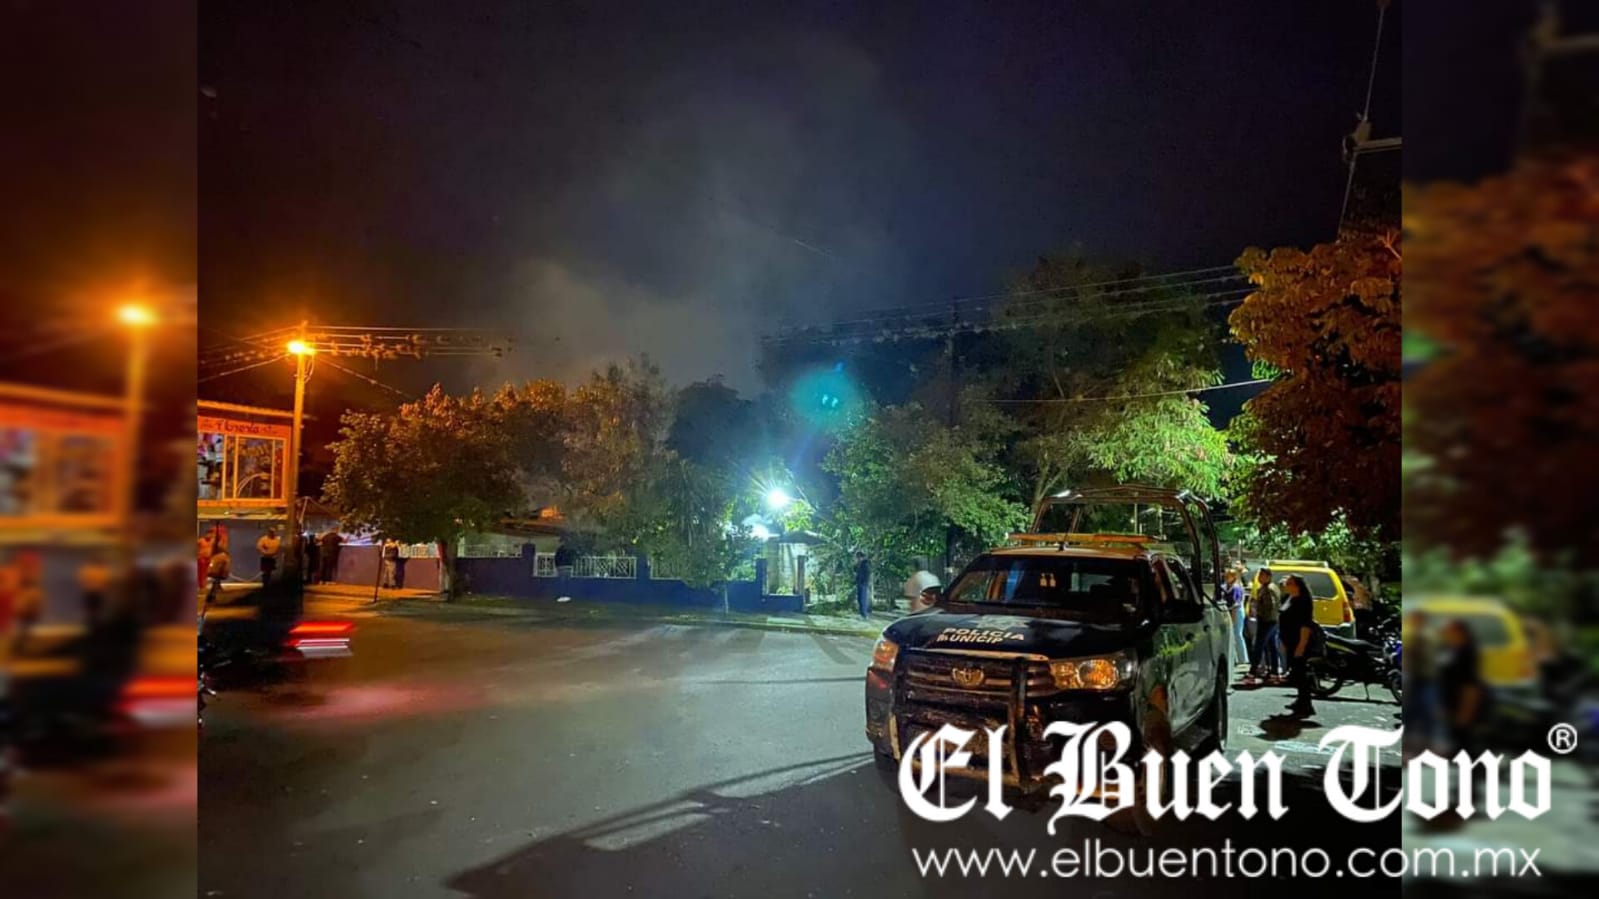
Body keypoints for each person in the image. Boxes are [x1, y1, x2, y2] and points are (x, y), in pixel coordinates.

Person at [1431, 620, 1488, 830]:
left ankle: (1467, 795)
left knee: (1466, 753)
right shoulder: (1454, 651)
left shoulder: (1467, 654)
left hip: (1464, 713)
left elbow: (1471, 688)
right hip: (1453, 711)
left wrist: (1465, 715)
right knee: (1460, 752)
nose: (1445, 634)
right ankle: (1465, 792)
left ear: (1460, 633)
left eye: (1450, 631)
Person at [1280, 574, 1320, 717]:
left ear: (1297, 586)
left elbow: (1305, 624)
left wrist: (1301, 645)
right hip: (1289, 640)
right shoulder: (1289, 598)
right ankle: (1301, 700)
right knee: (1296, 672)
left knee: (1300, 672)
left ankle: (1306, 703)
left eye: (1289, 583)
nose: (1286, 585)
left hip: (1299, 641)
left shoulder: (1303, 601)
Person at [1249, 566, 1283, 682]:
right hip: (1272, 621)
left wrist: (1260, 611)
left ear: (1268, 577)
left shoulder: (1269, 589)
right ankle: (1274, 672)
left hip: (1267, 621)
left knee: (1259, 646)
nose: (1259, 577)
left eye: (1261, 575)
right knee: (1272, 646)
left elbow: (1270, 606)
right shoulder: (1268, 587)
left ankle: (1252, 673)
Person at [1223, 567, 1250, 673]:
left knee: (1238, 634)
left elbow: (1236, 603)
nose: (1226, 577)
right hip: (1229, 611)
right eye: (1225, 576)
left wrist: (1233, 617)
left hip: (1237, 612)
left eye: (1228, 576)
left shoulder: (1236, 588)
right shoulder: (1225, 587)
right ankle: (1234, 658)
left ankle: (1243, 658)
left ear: (1233, 577)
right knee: (1231, 635)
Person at [78, 554, 113, 628]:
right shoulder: (100, 570)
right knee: (95, 610)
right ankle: (93, 624)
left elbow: (82, 580)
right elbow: (106, 581)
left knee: (93, 610)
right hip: (95, 592)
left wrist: (88, 585)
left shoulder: (88, 569)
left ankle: (92, 624)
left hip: (93, 592)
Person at [854, 551, 872, 619]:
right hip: (859, 583)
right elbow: (855, 570)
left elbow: (867, 574)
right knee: (859, 599)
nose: (857, 559)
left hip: (863, 583)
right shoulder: (859, 564)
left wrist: (864, 581)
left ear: (861, 557)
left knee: (863, 599)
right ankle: (862, 614)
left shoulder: (865, 564)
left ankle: (865, 614)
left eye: (858, 557)